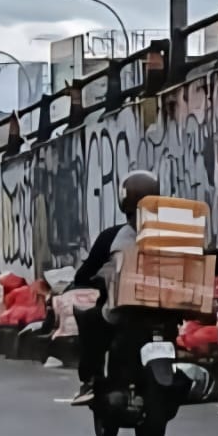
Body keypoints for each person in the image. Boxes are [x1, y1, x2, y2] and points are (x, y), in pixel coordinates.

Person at [70, 170, 160, 406]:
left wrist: (91, 281)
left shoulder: (112, 237)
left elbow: (84, 275)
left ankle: (90, 380)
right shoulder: (173, 234)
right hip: (165, 312)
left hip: (125, 311)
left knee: (90, 319)